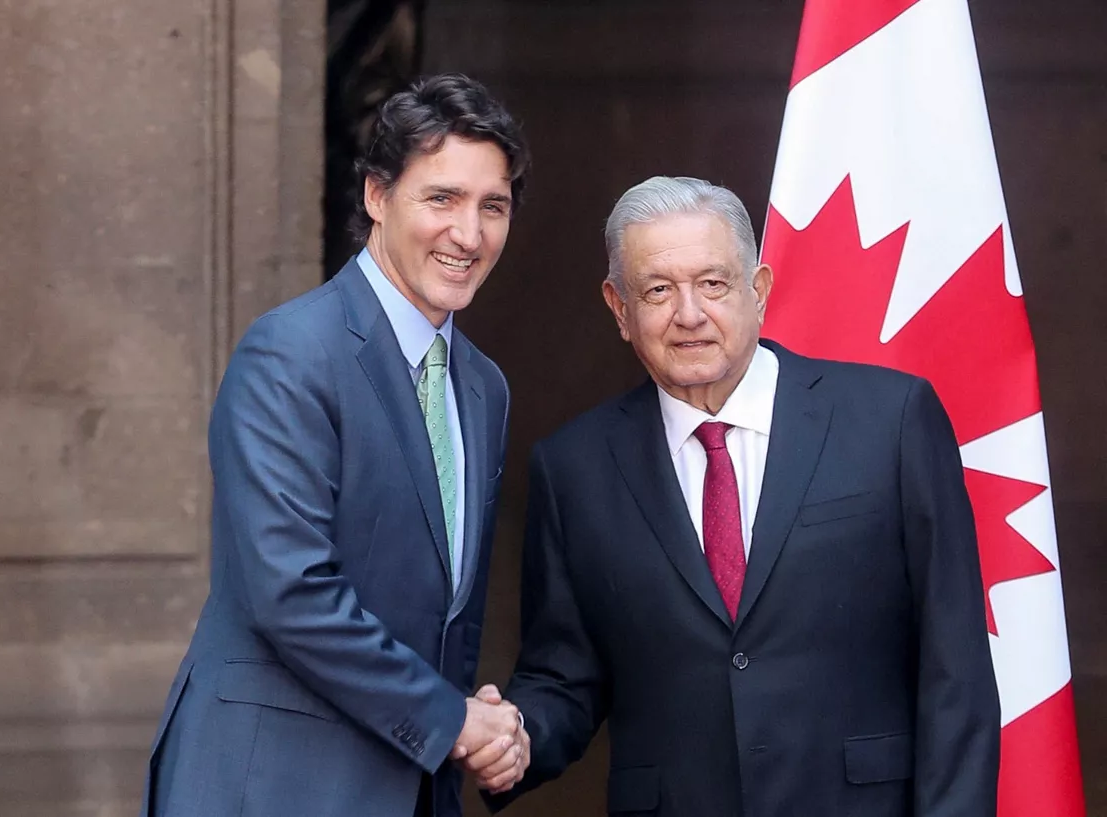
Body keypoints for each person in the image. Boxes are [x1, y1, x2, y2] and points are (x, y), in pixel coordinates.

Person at [477, 177, 1000, 816]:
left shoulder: (890, 421)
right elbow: (565, 674)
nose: (690, 313)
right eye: (659, 290)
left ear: (758, 291)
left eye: (714, 283)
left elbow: (957, 671)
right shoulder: (574, 468)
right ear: (619, 309)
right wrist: (513, 738)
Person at [142, 73, 532, 817]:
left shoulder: (484, 387)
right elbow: (289, 592)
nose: (470, 234)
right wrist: (454, 720)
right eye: (441, 198)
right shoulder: (291, 352)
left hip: (410, 788)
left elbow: (448, 615)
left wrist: (478, 722)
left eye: (494, 206)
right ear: (376, 196)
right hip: (272, 785)